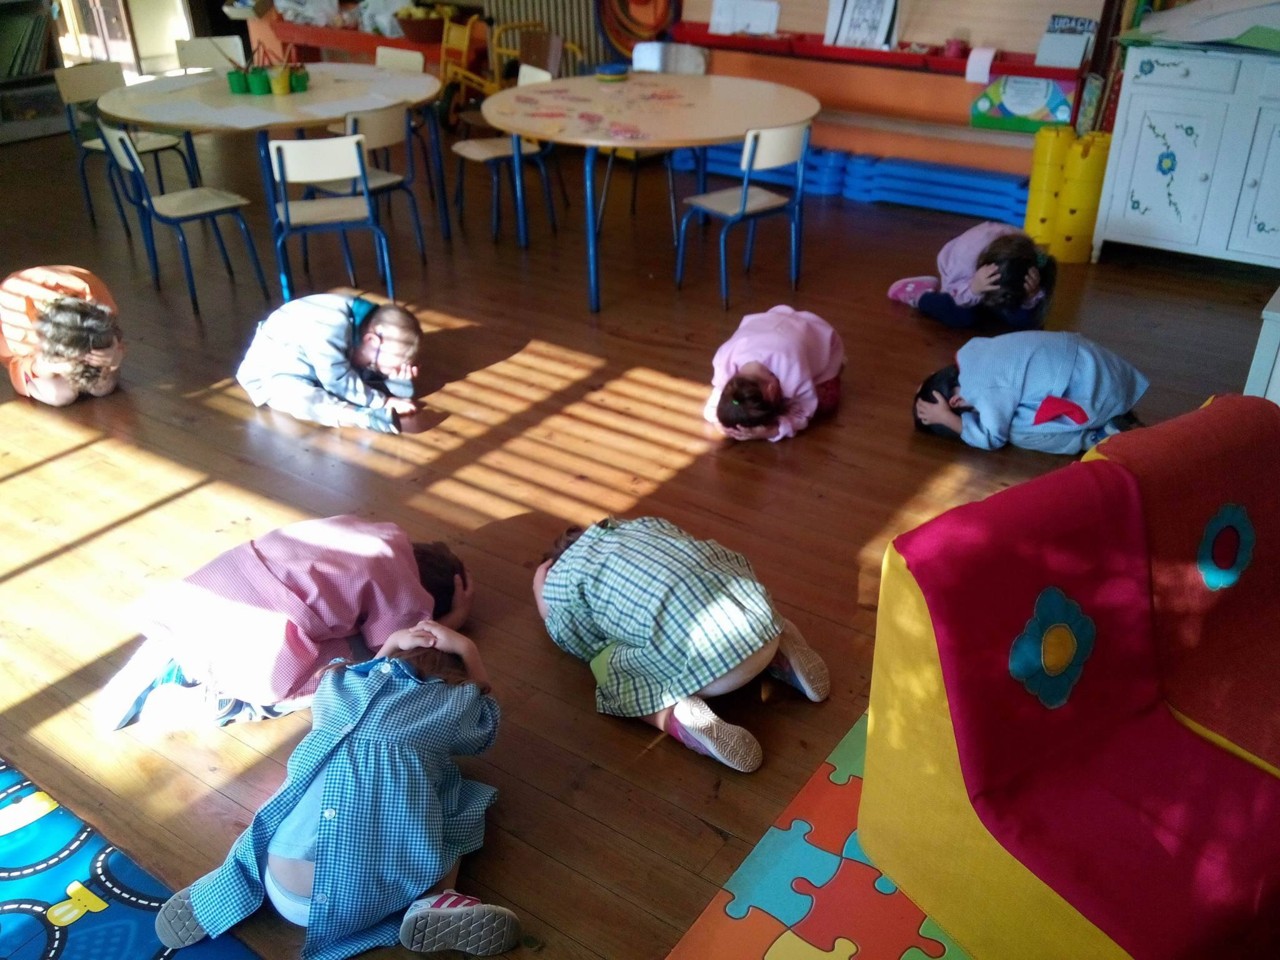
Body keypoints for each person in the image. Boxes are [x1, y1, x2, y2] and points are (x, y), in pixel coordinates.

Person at [154, 620, 521, 959]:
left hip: (280, 881)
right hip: (364, 900)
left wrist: (391, 643)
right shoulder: (454, 704)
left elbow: (361, 671)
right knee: (462, 798)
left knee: (284, 808)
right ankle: (437, 898)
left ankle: (223, 890)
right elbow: (486, 730)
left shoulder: (336, 686)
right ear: (456, 682)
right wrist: (469, 651)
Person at [98, 515, 474, 729]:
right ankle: (215, 702)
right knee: (349, 669)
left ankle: (172, 649)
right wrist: (451, 621)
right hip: (259, 634)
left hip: (212, 588)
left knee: (325, 619)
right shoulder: (407, 590)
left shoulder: (376, 532)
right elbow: (397, 653)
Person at [532, 516, 830, 773]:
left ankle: (676, 719)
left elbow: (581, 643)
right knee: (713, 580)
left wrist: (544, 605)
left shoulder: (563, 584)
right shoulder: (641, 525)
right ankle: (781, 650)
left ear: (554, 568)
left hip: (712, 672)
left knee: (604, 665)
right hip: (758, 617)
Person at [913, 331, 1149, 454]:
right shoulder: (973, 351)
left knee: (1014, 430)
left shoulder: (982, 391)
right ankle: (1115, 415)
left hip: (1098, 391)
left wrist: (947, 419)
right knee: (1021, 397)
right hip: (1100, 365)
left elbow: (993, 438)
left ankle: (1096, 437)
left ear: (956, 401)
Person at [236, 294, 427, 434]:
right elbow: (337, 380)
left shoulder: (371, 320)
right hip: (278, 369)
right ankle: (358, 416)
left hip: (323, 366)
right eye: (373, 363)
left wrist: (393, 373)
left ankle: (386, 382)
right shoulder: (331, 327)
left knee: (381, 382)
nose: (371, 365)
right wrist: (382, 402)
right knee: (302, 398)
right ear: (371, 340)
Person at [704, 304, 846, 441]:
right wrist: (720, 424)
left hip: (819, 337)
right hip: (772, 325)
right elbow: (717, 401)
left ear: (771, 389)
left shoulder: (792, 366)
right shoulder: (723, 364)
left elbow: (805, 410)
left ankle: (839, 364)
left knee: (827, 403)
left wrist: (772, 431)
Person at [887, 222, 1058, 330]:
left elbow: (1032, 320)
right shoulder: (964, 258)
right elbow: (954, 294)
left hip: (996, 282)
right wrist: (973, 289)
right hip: (962, 283)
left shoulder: (1027, 257)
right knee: (960, 317)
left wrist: (1030, 297)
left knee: (1027, 323)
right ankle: (920, 295)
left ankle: (996, 302)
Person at [0, 265, 124, 406]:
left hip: (76, 296)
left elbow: (114, 338)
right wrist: (51, 367)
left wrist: (114, 359)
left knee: (103, 387)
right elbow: (30, 362)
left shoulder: (98, 303)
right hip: (30, 352)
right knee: (60, 395)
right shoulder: (16, 315)